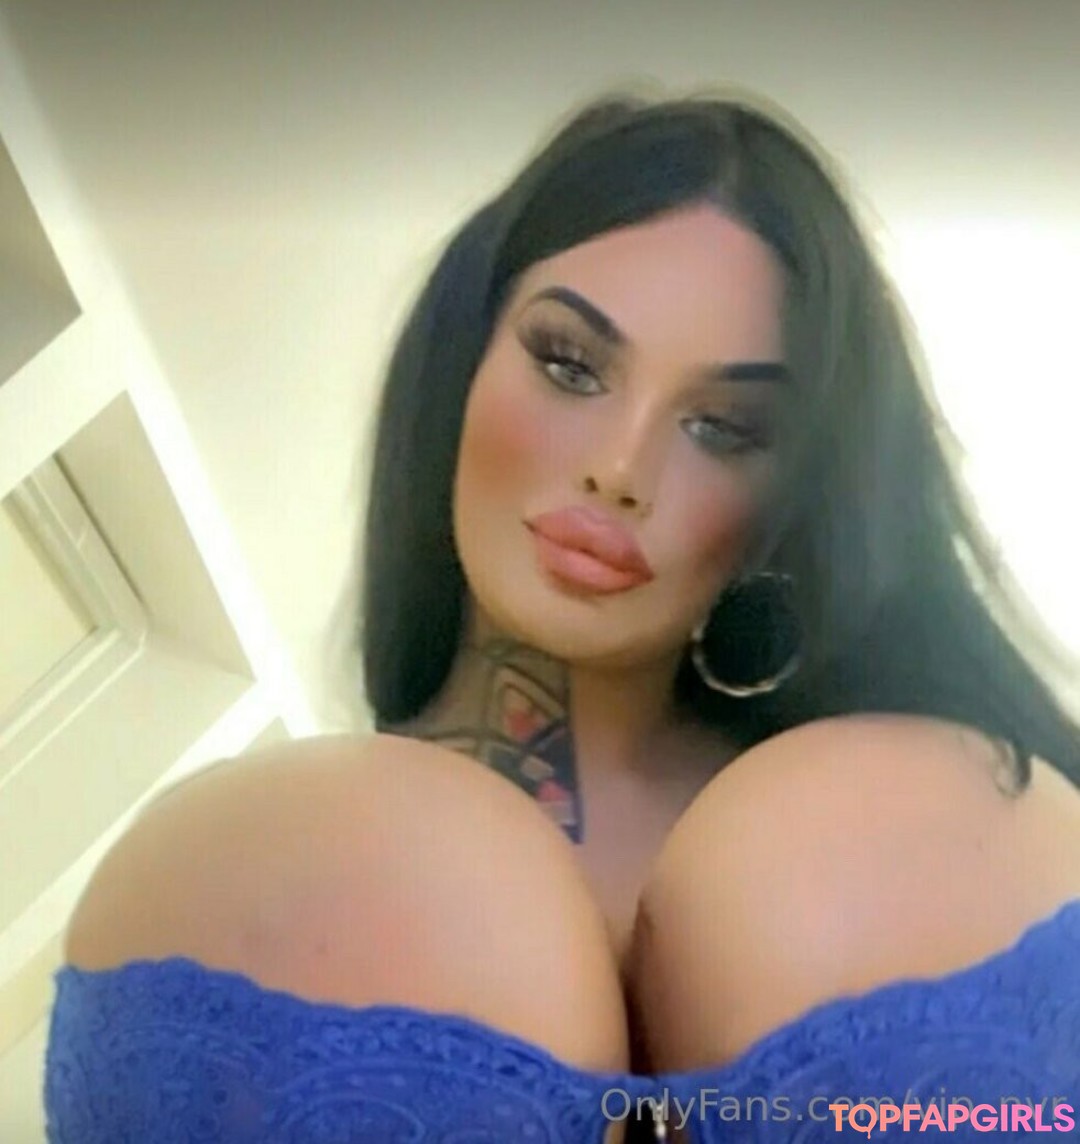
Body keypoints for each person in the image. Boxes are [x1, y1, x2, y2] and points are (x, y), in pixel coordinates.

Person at [44, 88, 1080, 1142]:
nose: (621, 468)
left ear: (786, 509)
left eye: (724, 426)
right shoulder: (271, 881)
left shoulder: (936, 829)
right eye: (569, 364)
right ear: (460, 364)